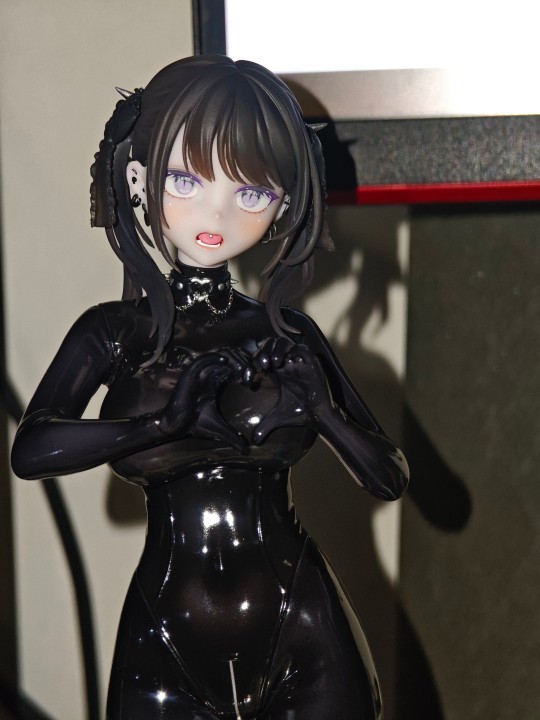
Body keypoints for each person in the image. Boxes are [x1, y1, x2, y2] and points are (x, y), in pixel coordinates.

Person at [11, 55, 409, 720]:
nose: (216, 212)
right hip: (164, 639)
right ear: (136, 180)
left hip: (302, 629)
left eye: (250, 193)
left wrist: (322, 409)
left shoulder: (288, 335)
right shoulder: (115, 333)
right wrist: (159, 426)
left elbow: (388, 476)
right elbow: (31, 451)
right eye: (185, 180)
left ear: (283, 202)